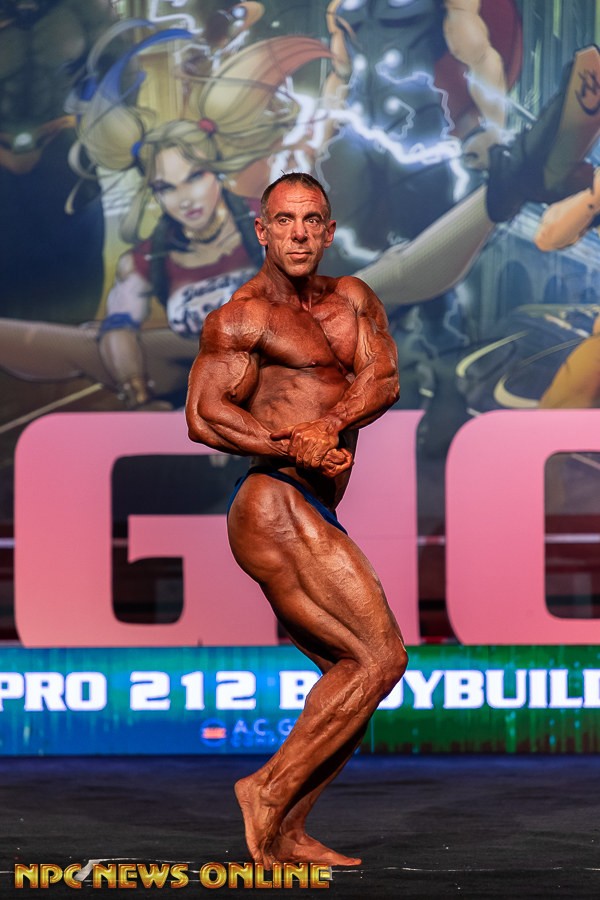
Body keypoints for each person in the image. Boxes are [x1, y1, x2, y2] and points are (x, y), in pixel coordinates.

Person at [185, 172, 408, 867]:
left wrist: (329, 425)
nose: (300, 233)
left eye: (312, 220)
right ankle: (266, 790)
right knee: (380, 658)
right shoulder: (241, 317)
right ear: (262, 231)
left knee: (353, 678)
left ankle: (288, 829)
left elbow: (383, 378)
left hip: (310, 502)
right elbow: (205, 416)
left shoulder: (354, 299)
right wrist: (291, 446)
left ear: (330, 230)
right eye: (284, 220)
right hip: (273, 498)